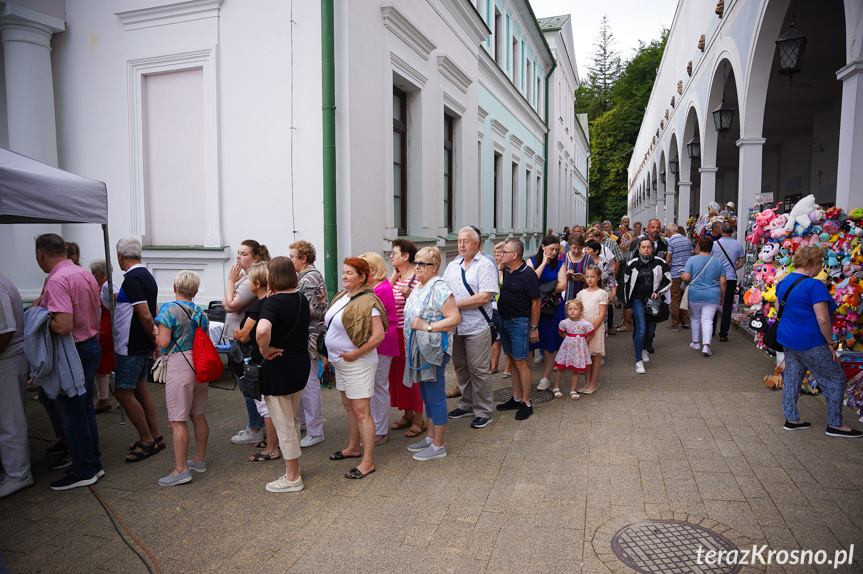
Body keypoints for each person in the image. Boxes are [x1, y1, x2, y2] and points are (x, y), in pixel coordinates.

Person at [32, 233, 103, 490]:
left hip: (74, 350)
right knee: (84, 411)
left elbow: (63, 326)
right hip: (91, 346)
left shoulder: (57, 280)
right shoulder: (82, 272)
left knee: (73, 413)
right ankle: (93, 464)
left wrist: (37, 316)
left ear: (41, 254)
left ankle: (84, 469)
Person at [775, 245, 862, 438]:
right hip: (811, 340)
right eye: (821, 263)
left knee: (792, 377)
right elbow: (822, 319)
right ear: (814, 263)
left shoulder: (783, 281)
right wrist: (830, 343)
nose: (821, 267)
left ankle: (792, 419)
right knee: (836, 378)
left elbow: (779, 308)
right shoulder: (814, 285)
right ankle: (835, 424)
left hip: (788, 338)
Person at [325, 258, 387, 479]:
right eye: (343, 272)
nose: (344, 276)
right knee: (349, 407)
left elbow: (378, 335)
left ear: (362, 277)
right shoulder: (343, 296)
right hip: (341, 362)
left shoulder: (369, 301)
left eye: (350, 273)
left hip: (358, 363)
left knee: (362, 412)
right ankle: (353, 447)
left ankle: (368, 462)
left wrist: (354, 354)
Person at [256, 257, 313, 491]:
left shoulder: (272, 303)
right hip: (300, 366)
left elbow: (262, 330)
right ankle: (294, 467)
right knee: (291, 419)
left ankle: (292, 477)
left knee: (285, 424)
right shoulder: (300, 298)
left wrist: (264, 349)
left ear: (273, 276)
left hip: (278, 370)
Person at [153, 271, 210, 486]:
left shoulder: (169, 309)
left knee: (178, 420)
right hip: (200, 364)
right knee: (198, 415)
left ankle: (180, 470)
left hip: (180, 364)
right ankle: (198, 460)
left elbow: (164, 343)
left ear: (175, 287)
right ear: (195, 291)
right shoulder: (201, 312)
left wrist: (155, 333)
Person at [404, 247, 461, 460]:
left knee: (435, 397)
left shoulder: (439, 288)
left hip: (433, 351)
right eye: (415, 262)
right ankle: (430, 437)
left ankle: (438, 446)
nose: (417, 267)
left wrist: (427, 327)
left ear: (434, 267)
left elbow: (454, 318)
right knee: (426, 396)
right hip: (418, 351)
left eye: (422, 264)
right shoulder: (419, 285)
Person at [112, 237, 164, 463]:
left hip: (130, 345)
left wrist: (156, 341)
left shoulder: (132, 278)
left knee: (123, 393)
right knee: (141, 389)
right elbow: (152, 311)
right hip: (140, 343)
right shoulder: (147, 276)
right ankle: (156, 436)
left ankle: (146, 440)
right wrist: (153, 340)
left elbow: (145, 315)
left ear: (121, 256)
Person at [443, 227, 498, 429]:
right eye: (459, 241)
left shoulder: (485, 264)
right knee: (461, 367)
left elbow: (484, 297)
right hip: (455, 326)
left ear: (476, 243)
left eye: (466, 241)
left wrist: (454, 305)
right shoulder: (453, 265)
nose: (461, 245)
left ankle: (484, 411)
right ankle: (466, 404)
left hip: (476, 326)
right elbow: (443, 290)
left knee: (479, 369)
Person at [231, 262, 280, 463]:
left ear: (257, 284)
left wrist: (238, 333)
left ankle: (271, 446)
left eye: (250, 280)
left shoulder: (260, 305)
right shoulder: (269, 301)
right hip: (263, 358)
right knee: (268, 405)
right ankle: (272, 441)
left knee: (265, 406)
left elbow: (244, 335)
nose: (248, 284)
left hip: (258, 360)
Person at [225, 240, 271, 446]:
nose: (238, 257)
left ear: (255, 258)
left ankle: (256, 428)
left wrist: (229, 282)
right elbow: (227, 303)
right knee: (248, 386)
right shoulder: (245, 278)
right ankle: (257, 425)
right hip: (241, 340)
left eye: (243, 254)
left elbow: (231, 305)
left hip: (245, 343)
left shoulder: (251, 280)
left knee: (249, 386)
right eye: (238, 253)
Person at [495, 239, 540, 420]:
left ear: (514, 255)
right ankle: (516, 397)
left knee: (521, 363)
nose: (500, 255)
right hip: (504, 321)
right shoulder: (506, 270)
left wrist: (534, 328)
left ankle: (526, 403)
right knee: (512, 360)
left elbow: (535, 303)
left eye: (504, 252)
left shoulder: (528, 274)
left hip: (520, 323)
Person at [290, 241, 329, 448]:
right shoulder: (307, 276)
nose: (291, 260)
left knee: (310, 383)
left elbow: (309, 310)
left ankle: (315, 431)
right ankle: (307, 423)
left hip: (310, 336)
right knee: (305, 381)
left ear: (303, 258)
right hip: (309, 334)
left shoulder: (310, 277)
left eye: (293, 256)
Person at [359, 251, 398, 445]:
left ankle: (380, 430)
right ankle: (375, 427)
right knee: (376, 386)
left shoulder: (380, 289)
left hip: (382, 343)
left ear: (372, 270)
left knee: (379, 387)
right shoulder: (378, 287)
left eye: (362, 270)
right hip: (380, 342)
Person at [387, 239, 425, 437]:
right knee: (399, 378)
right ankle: (407, 414)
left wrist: (410, 295)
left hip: (410, 337)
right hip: (395, 336)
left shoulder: (417, 279)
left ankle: (419, 419)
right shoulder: (395, 278)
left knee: (413, 377)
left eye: (395, 253)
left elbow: (425, 307)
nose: (391, 256)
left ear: (405, 256)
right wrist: (391, 281)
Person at [0, 271, 32, 498]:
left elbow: (5, 331)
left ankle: (18, 474)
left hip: (8, 360)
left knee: (10, 421)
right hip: (8, 359)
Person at [623, 237, 671, 374]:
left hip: (653, 301)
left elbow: (668, 280)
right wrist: (628, 303)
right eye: (643, 247)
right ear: (639, 249)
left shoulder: (660, 262)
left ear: (652, 248)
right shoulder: (632, 264)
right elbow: (626, 285)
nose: (646, 249)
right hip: (638, 300)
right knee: (641, 329)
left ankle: (644, 349)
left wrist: (658, 292)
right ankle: (638, 360)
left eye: (648, 247)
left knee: (650, 331)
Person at [527, 236, 567, 391]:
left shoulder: (560, 264)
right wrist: (543, 263)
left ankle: (546, 378)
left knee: (551, 343)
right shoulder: (532, 261)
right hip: (533, 307)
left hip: (552, 307)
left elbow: (562, 286)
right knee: (530, 344)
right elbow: (530, 281)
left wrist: (540, 288)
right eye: (551, 249)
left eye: (557, 250)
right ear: (543, 247)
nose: (554, 252)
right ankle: (527, 376)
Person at [681, 236, 726, 357]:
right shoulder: (718, 262)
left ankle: (696, 342)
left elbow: (686, 277)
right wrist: (722, 297)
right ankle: (706, 345)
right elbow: (723, 282)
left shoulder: (692, 260)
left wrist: (681, 276)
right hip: (713, 295)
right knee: (708, 320)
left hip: (695, 294)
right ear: (711, 248)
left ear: (698, 246)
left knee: (695, 318)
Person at [551, 300, 595, 400]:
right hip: (567, 348)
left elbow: (592, 333)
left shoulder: (585, 324)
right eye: (569, 309)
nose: (572, 311)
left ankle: (573, 390)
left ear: (581, 311)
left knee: (576, 369)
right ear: (566, 311)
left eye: (575, 309)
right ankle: (556, 387)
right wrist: (568, 338)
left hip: (578, 349)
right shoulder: (564, 322)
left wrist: (584, 341)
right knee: (561, 367)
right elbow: (561, 332)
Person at [89, 259, 117, 413]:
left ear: (100, 274)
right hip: (106, 326)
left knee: (102, 364)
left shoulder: (107, 286)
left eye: (94, 274)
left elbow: (118, 301)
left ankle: (104, 398)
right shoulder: (104, 286)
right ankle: (105, 397)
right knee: (105, 363)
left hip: (108, 327)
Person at [576, 266, 608, 394]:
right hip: (583, 326)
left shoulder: (601, 293)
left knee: (595, 356)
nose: (589, 279)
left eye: (593, 276)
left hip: (596, 326)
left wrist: (592, 329)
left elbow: (601, 314)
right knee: (586, 356)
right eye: (587, 276)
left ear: (598, 277)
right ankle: (587, 383)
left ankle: (593, 384)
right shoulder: (582, 293)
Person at [712, 221, 745, 342]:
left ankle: (711, 330)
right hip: (730, 278)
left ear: (721, 231)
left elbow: (710, 260)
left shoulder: (714, 244)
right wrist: (731, 269)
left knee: (713, 305)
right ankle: (723, 334)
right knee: (727, 306)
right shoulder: (738, 245)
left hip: (715, 277)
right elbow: (741, 263)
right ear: (732, 231)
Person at [488, 241, 512, 380]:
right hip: (494, 306)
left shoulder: (509, 269)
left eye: (498, 255)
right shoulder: (493, 267)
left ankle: (508, 366)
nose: (496, 258)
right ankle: (494, 365)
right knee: (496, 338)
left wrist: (500, 270)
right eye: (495, 255)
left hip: (506, 307)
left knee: (506, 336)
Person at [665, 223, 693, 331]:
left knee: (675, 298)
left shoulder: (671, 241)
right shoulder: (687, 240)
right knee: (684, 297)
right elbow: (692, 255)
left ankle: (675, 323)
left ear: (669, 231)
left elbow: (668, 259)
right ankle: (685, 320)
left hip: (675, 272)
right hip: (687, 272)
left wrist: (669, 267)